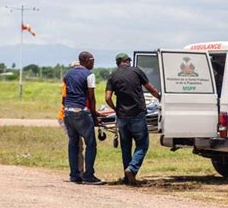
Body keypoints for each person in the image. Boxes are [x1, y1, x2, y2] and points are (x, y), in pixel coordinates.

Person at [105, 52, 160, 185]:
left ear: (118, 62)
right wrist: (159, 97)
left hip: (122, 117)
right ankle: (132, 168)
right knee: (142, 144)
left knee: (126, 147)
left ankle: (127, 177)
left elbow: (107, 97)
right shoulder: (136, 71)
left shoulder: (113, 75)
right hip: (137, 115)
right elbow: (150, 88)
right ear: (126, 61)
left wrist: (116, 109)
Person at [63, 51, 104, 185]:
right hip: (81, 112)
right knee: (90, 144)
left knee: (73, 144)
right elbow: (91, 98)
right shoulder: (89, 74)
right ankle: (89, 175)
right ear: (85, 60)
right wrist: (94, 116)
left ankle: (74, 175)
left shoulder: (68, 74)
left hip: (68, 112)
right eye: (92, 60)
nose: (93, 63)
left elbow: (67, 94)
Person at [58, 60, 85, 175]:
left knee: (78, 145)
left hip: (70, 114)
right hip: (67, 115)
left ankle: (78, 171)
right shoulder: (68, 83)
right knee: (76, 144)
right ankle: (77, 172)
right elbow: (64, 100)